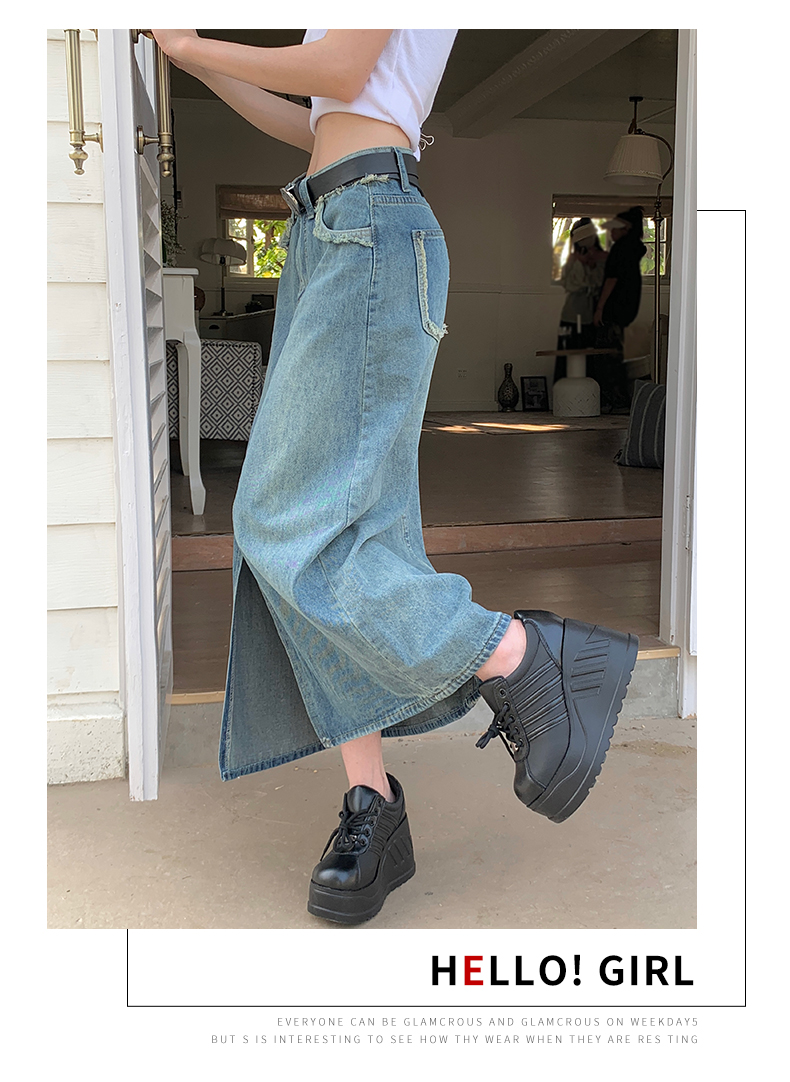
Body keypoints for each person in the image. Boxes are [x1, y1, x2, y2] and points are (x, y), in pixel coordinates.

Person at [152, 29, 639, 926]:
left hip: (367, 228)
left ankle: (518, 653)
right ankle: (372, 801)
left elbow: (338, 71)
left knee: (281, 523)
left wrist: (191, 37)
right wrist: (195, 61)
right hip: (328, 228)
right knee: (350, 531)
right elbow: (318, 116)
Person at [592, 207, 648, 411]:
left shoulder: (620, 249)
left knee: (607, 355)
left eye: (615, 228)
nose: (611, 232)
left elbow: (612, 279)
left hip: (614, 309)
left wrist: (600, 308)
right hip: (627, 308)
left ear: (625, 228)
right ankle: (618, 399)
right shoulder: (634, 248)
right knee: (614, 352)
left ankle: (615, 400)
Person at [553, 218, 607, 384]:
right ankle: (563, 393)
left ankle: (591, 394)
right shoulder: (572, 260)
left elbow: (600, 283)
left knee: (591, 359)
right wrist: (579, 263)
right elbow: (569, 285)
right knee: (566, 356)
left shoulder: (601, 260)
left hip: (592, 317)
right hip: (571, 314)